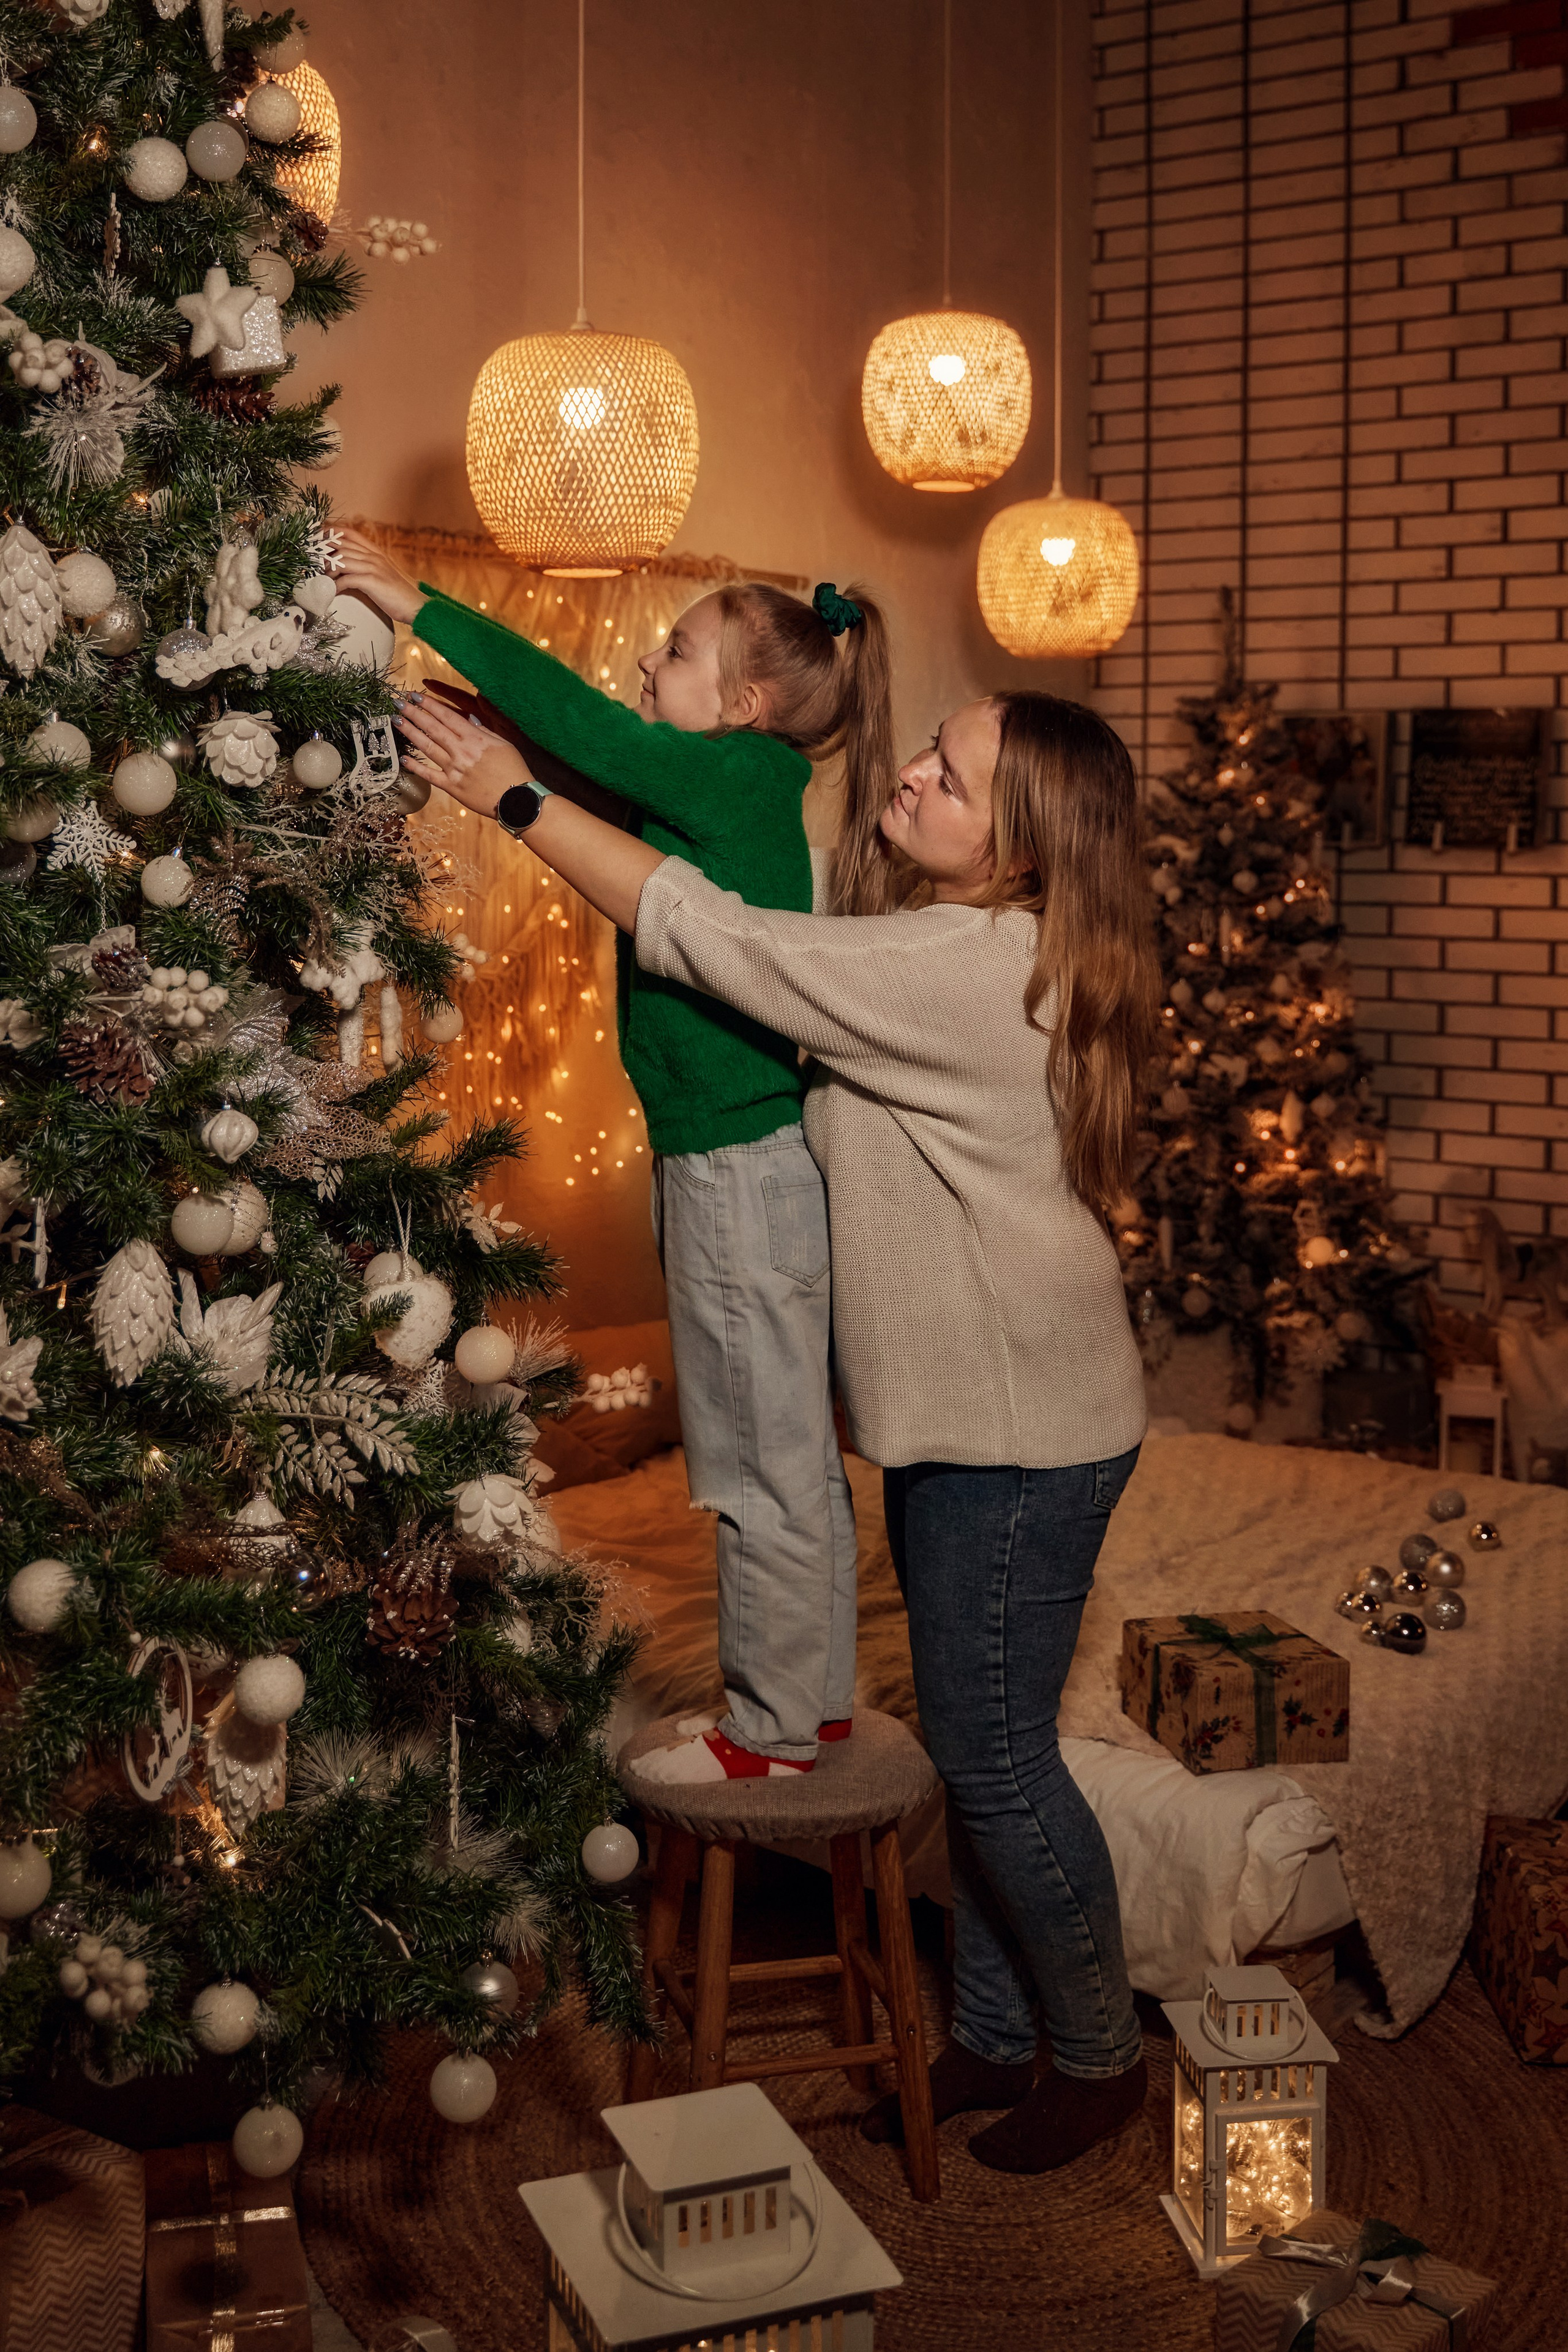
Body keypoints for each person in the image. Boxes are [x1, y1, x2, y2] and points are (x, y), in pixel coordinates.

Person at [390, 681, 1159, 2177]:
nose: (915, 773)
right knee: (977, 1751)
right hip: (979, 1421)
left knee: (1000, 1764)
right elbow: (727, 885)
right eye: (930, 747)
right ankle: (992, 2032)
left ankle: (1096, 2055)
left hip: (1022, 1434)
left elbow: (715, 937)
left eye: (953, 775)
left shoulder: (965, 964)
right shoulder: (966, 938)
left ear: (1019, 849)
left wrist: (517, 799)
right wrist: (532, 740)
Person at [333, 532, 894, 1784]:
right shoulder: (724, 788)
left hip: (738, 1174)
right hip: (736, 1165)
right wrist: (470, 721)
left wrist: (422, 603)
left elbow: (586, 732)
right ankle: (810, 1708)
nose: (649, 658)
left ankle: (770, 1734)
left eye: (678, 650)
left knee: (753, 1462)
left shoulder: (736, 775)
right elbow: (581, 765)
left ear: (746, 706)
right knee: (783, 1455)